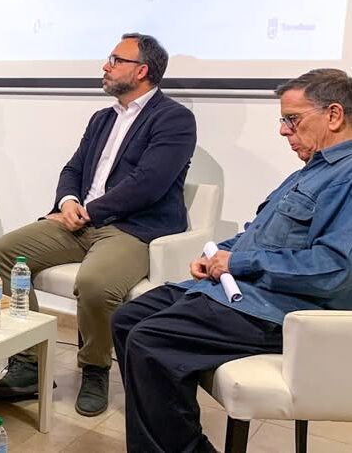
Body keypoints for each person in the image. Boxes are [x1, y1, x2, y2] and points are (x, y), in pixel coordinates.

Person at [112, 68, 352, 453]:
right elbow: (258, 235)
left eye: (292, 119)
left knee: (149, 342)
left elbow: (333, 270)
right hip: (242, 290)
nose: (283, 131)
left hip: (283, 310)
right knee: (127, 319)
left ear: (334, 115)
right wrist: (217, 255)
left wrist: (238, 264)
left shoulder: (347, 177)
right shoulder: (310, 171)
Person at [0, 33, 197, 417]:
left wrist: (89, 211)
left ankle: (95, 368)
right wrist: (67, 202)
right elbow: (74, 168)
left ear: (142, 70)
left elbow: (148, 184)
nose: (105, 66)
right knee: (4, 253)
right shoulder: (102, 118)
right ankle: (28, 362)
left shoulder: (175, 119)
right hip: (79, 220)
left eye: (115, 60)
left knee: (95, 284)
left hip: (133, 227)